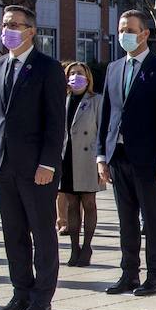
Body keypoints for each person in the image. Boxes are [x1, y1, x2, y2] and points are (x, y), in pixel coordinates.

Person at [0, 4, 67, 310]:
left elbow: (55, 122)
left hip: (37, 168)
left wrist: (48, 163)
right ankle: (20, 292)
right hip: (4, 165)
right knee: (14, 233)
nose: (9, 30)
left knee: (42, 233)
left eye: (16, 24)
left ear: (31, 30)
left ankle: (42, 297)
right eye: (5, 24)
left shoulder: (47, 68)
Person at [96, 9, 156, 297]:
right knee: (126, 218)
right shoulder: (114, 68)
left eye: (129, 30)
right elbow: (106, 113)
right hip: (117, 155)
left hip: (148, 157)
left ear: (145, 34)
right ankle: (129, 273)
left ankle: (155, 275)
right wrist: (101, 156)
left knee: (152, 217)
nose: (123, 36)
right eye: (120, 30)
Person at [61, 61, 105, 266]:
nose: (75, 77)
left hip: (88, 158)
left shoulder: (96, 100)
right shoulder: (63, 100)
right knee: (71, 203)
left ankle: (87, 246)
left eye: (79, 73)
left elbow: (102, 132)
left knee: (88, 203)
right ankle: (74, 247)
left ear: (87, 77)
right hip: (66, 157)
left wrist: (101, 160)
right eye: (72, 73)